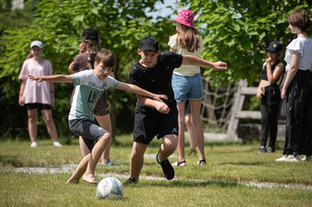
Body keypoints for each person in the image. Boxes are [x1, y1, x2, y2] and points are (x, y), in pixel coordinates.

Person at [29, 48, 168, 184]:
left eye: (109, 69)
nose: (106, 72)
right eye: (103, 68)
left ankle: (74, 179)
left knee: (92, 153)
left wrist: (153, 95)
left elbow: (130, 87)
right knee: (105, 135)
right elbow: (64, 78)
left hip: (87, 119)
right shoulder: (86, 76)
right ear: (95, 64)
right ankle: (89, 174)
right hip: (77, 120)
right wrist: (42, 78)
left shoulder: (106, 80)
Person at [125, 37, 227, 184]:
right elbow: (141, 98)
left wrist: (212, 65)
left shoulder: (166, 58)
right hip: (145, 111)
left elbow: (189, 59)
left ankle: (161, 158)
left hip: (168, 109)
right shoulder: (135, 71)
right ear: (139, 52)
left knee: (172, 144)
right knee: (138, 149)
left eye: (152, 55)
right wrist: (155, 104)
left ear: (158, 53)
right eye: (145, 54)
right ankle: (133, 178)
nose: (149, 58)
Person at [168, 9, 214, 166]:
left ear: (181, 24)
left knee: (180, 120)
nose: (175, 25)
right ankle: (202, 159)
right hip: (196, 79)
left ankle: (181, 160)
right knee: (196, 120)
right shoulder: (198, 38)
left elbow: (171, 61)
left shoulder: (174, 39)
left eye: (177, 23)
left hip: (179, 79)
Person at [69, 28, 116, 166]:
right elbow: (112, 76)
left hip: (82, 101)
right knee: (106, 129)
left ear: (83, 42)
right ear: (97, 42)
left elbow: (71, 70)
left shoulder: (80, 57)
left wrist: (80, 54)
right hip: (99, 100)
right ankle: (105, 159)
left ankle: (86, 159)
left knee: (83, 132)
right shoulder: (104, 58)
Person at [276, 10, 312, 162]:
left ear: (297, 25)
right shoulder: (310, 42)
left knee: (293, 115)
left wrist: (284, 86)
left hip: (297, 79)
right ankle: (308, 152)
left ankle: (291, 152)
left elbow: (293, 67)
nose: (289, 27)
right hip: (308, 78)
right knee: (306, 115)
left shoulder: (296, 43)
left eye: (291, 24)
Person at [18, 40, 62, 148]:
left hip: (44, 93)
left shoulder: (47, 63)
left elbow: (50, 80)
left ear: (41, 50)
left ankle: (55, 141)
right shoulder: (27, 63)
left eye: (38, 49)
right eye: (34, 49)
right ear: (31, 50)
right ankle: (33, 141)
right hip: (30, 93)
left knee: (48, 117)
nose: (36, 52)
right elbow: (24, 80)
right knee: (32, 118)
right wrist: (21, 95)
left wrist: (52, 96)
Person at [256, 41, 284, 153]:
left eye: (273, 53)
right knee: (264, 119)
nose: (270, 55)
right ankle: (262, 145)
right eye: (269, 52)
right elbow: (263, 79)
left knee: (272, 120)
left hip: (272, 92)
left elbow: (271, 79)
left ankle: (271, 145)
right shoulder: (264, 64)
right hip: (264, 92)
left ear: (278, 54)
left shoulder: (280, 65)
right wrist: (259, 88)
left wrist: (268, 65)